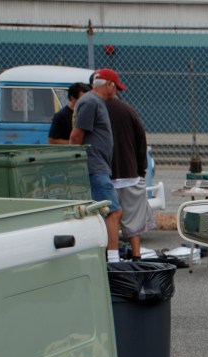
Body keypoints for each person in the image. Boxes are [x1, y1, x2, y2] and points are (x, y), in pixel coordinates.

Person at [70, 68, 124, 259]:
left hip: (98, 165)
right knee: (113, 211)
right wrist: (74, 162)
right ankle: (112, 259)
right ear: (108, 85)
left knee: (104, 212)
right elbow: (77, 136)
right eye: (116, 87)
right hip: (95, 166)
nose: (116, 92)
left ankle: (105, 255)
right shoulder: (91, 102)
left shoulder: (94, 102)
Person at [105, 94, 153, 259]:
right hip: (130, 173)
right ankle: (136, 256)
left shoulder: (92, 108)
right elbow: (141, 141)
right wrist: (141, 170)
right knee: (133, 222)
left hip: (104, 173)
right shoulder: (128, 110)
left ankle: (111, 257)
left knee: (108, 217)